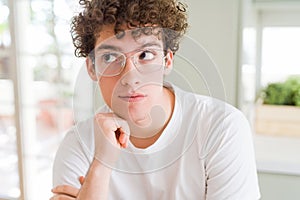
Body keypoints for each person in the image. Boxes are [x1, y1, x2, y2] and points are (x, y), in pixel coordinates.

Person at [51, 0, 261, 199]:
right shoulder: (78, 145)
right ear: (91, 68)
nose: (130, 77)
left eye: (145, 55)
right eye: (110, 57)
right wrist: (101, 164)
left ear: (167, 60)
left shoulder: (222, 127)